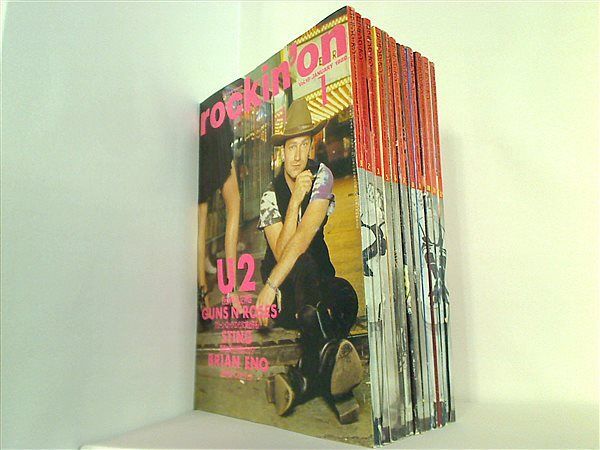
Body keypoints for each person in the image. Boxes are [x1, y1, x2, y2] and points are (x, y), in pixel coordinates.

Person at [256, 99, 362, 424]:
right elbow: (284, 253)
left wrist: (305, 196)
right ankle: (337, 389)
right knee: (301, 264)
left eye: (305, 145)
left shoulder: (322, 176)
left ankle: (304, 379)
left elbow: (305, 236)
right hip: (287, 293)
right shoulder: (269, 196)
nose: (298, 156)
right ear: (282, 151)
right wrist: (294, 203)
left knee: (346, 296)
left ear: (311, 146)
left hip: (316, 288)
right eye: (292, 147)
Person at [198, 86, 241, 323]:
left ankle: (202, 299)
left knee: (199, 222)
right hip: (214, 119)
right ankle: (231, 292)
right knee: (233, 206)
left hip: (198, 124)